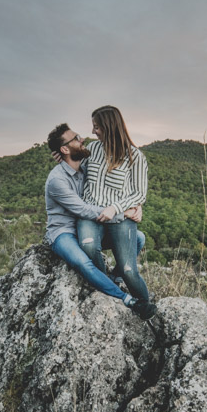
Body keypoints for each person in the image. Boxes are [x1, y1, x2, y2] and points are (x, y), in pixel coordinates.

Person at [45, 123, 157, 320]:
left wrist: (135, 205)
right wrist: (124, 213)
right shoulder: (57, 180)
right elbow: (83, 209)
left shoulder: (83, 168)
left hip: (85, 226)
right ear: (64, 149)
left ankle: (111, 277)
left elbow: (111, 186)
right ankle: (125, 298)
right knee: (82, 261)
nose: (83, 139)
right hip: (63, 233)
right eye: (76, 138)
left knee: (138, 238)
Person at [76, 105, 153, 308]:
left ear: (109, 127)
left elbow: (139, 193)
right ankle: (107, 284)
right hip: (90, 214)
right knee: (88, 245)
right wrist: (63, 156)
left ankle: (146, 305)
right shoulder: (92, 149)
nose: (93, 131)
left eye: (97, 127)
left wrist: (115, 207)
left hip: (119, 218)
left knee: (129, 270)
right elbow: (74, 172)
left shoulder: (135, 156)